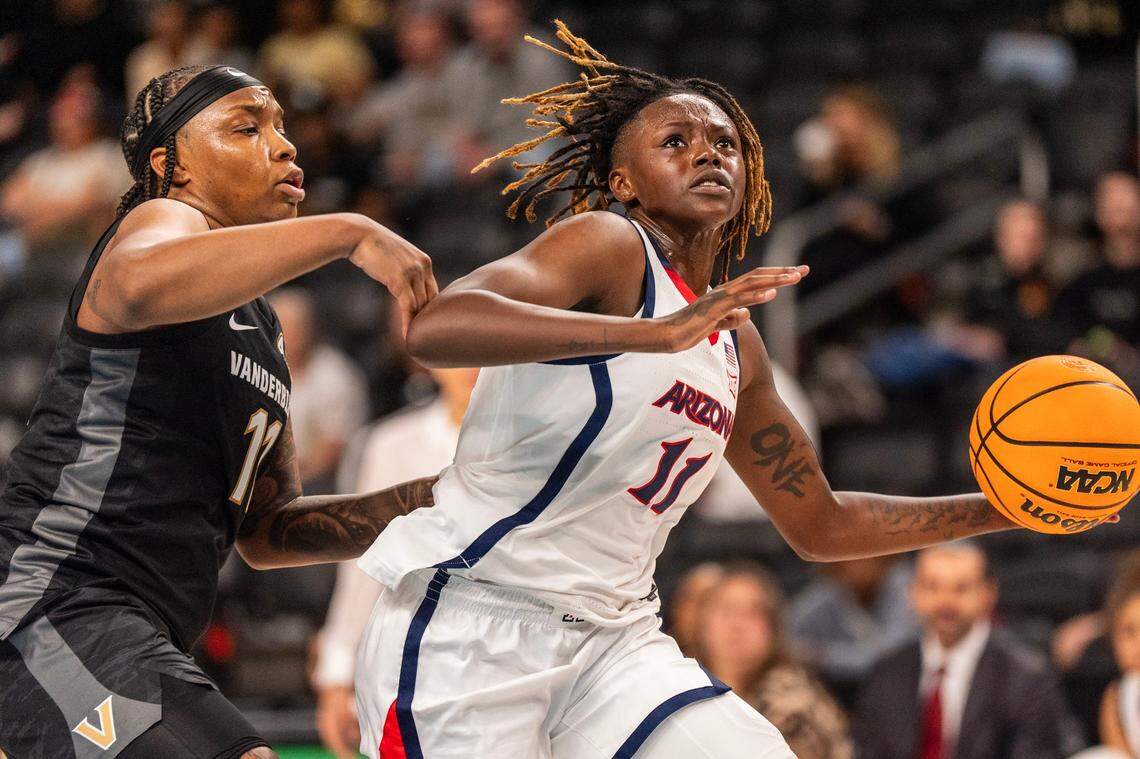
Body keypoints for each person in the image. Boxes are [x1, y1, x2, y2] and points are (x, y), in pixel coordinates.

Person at [351, 23, 1031, 759]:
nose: (708, 151)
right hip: (473, 630)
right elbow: (438, 327)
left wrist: (1013, 508)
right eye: (675, 141)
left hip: (614, 642)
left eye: (727, 144)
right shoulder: (608, 244)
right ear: (624, 182)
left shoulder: (733, 340)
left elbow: (821, 524)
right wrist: (656, 335)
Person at [0, 65, 436, 759]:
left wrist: (427, 501)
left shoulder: (261, 323)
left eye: (282, 126)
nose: (284, 145)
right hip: (56, 604)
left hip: (137, 630)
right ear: (168, 164)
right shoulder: (161, 219)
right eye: (246, 127)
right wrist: (347, 231)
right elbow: (140, 279)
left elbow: (267, 530)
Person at [311, 365, 477, 759]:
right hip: (416, 660)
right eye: (461, 352)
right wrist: (337, 670)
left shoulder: (547, 438)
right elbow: (363, 567)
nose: (474, 366)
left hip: (528, 654)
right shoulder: (392, 444)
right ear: (433, 359)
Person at [853, 543, 1084, 759]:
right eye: (932, 587)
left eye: (961, 588)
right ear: (913, 594)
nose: (945, 601)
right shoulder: (887, 672)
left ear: (988, 594)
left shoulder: (1026, 677)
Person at [694, 563, 854, 759]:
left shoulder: (797, 704)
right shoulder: (679, 687)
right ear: (702, 622)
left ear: (773, 627)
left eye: (752, 613)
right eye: (727, 610)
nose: (737, 625)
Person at [268, 287, 369, 493]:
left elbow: (332, 451)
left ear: (311, 328)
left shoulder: (335, 374)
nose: (290, 334)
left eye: (297, 326)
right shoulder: (258, 368)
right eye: (283, 326)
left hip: (320, 484)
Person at [790, 555, 918, 693]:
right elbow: (787, 639)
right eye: (848, 556)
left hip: (903, 685)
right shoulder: (831, 591)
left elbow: (888, 658)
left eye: (863, 556)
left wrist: (821, 657)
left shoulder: (904, 586)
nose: (857, 563)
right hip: (846, 690)